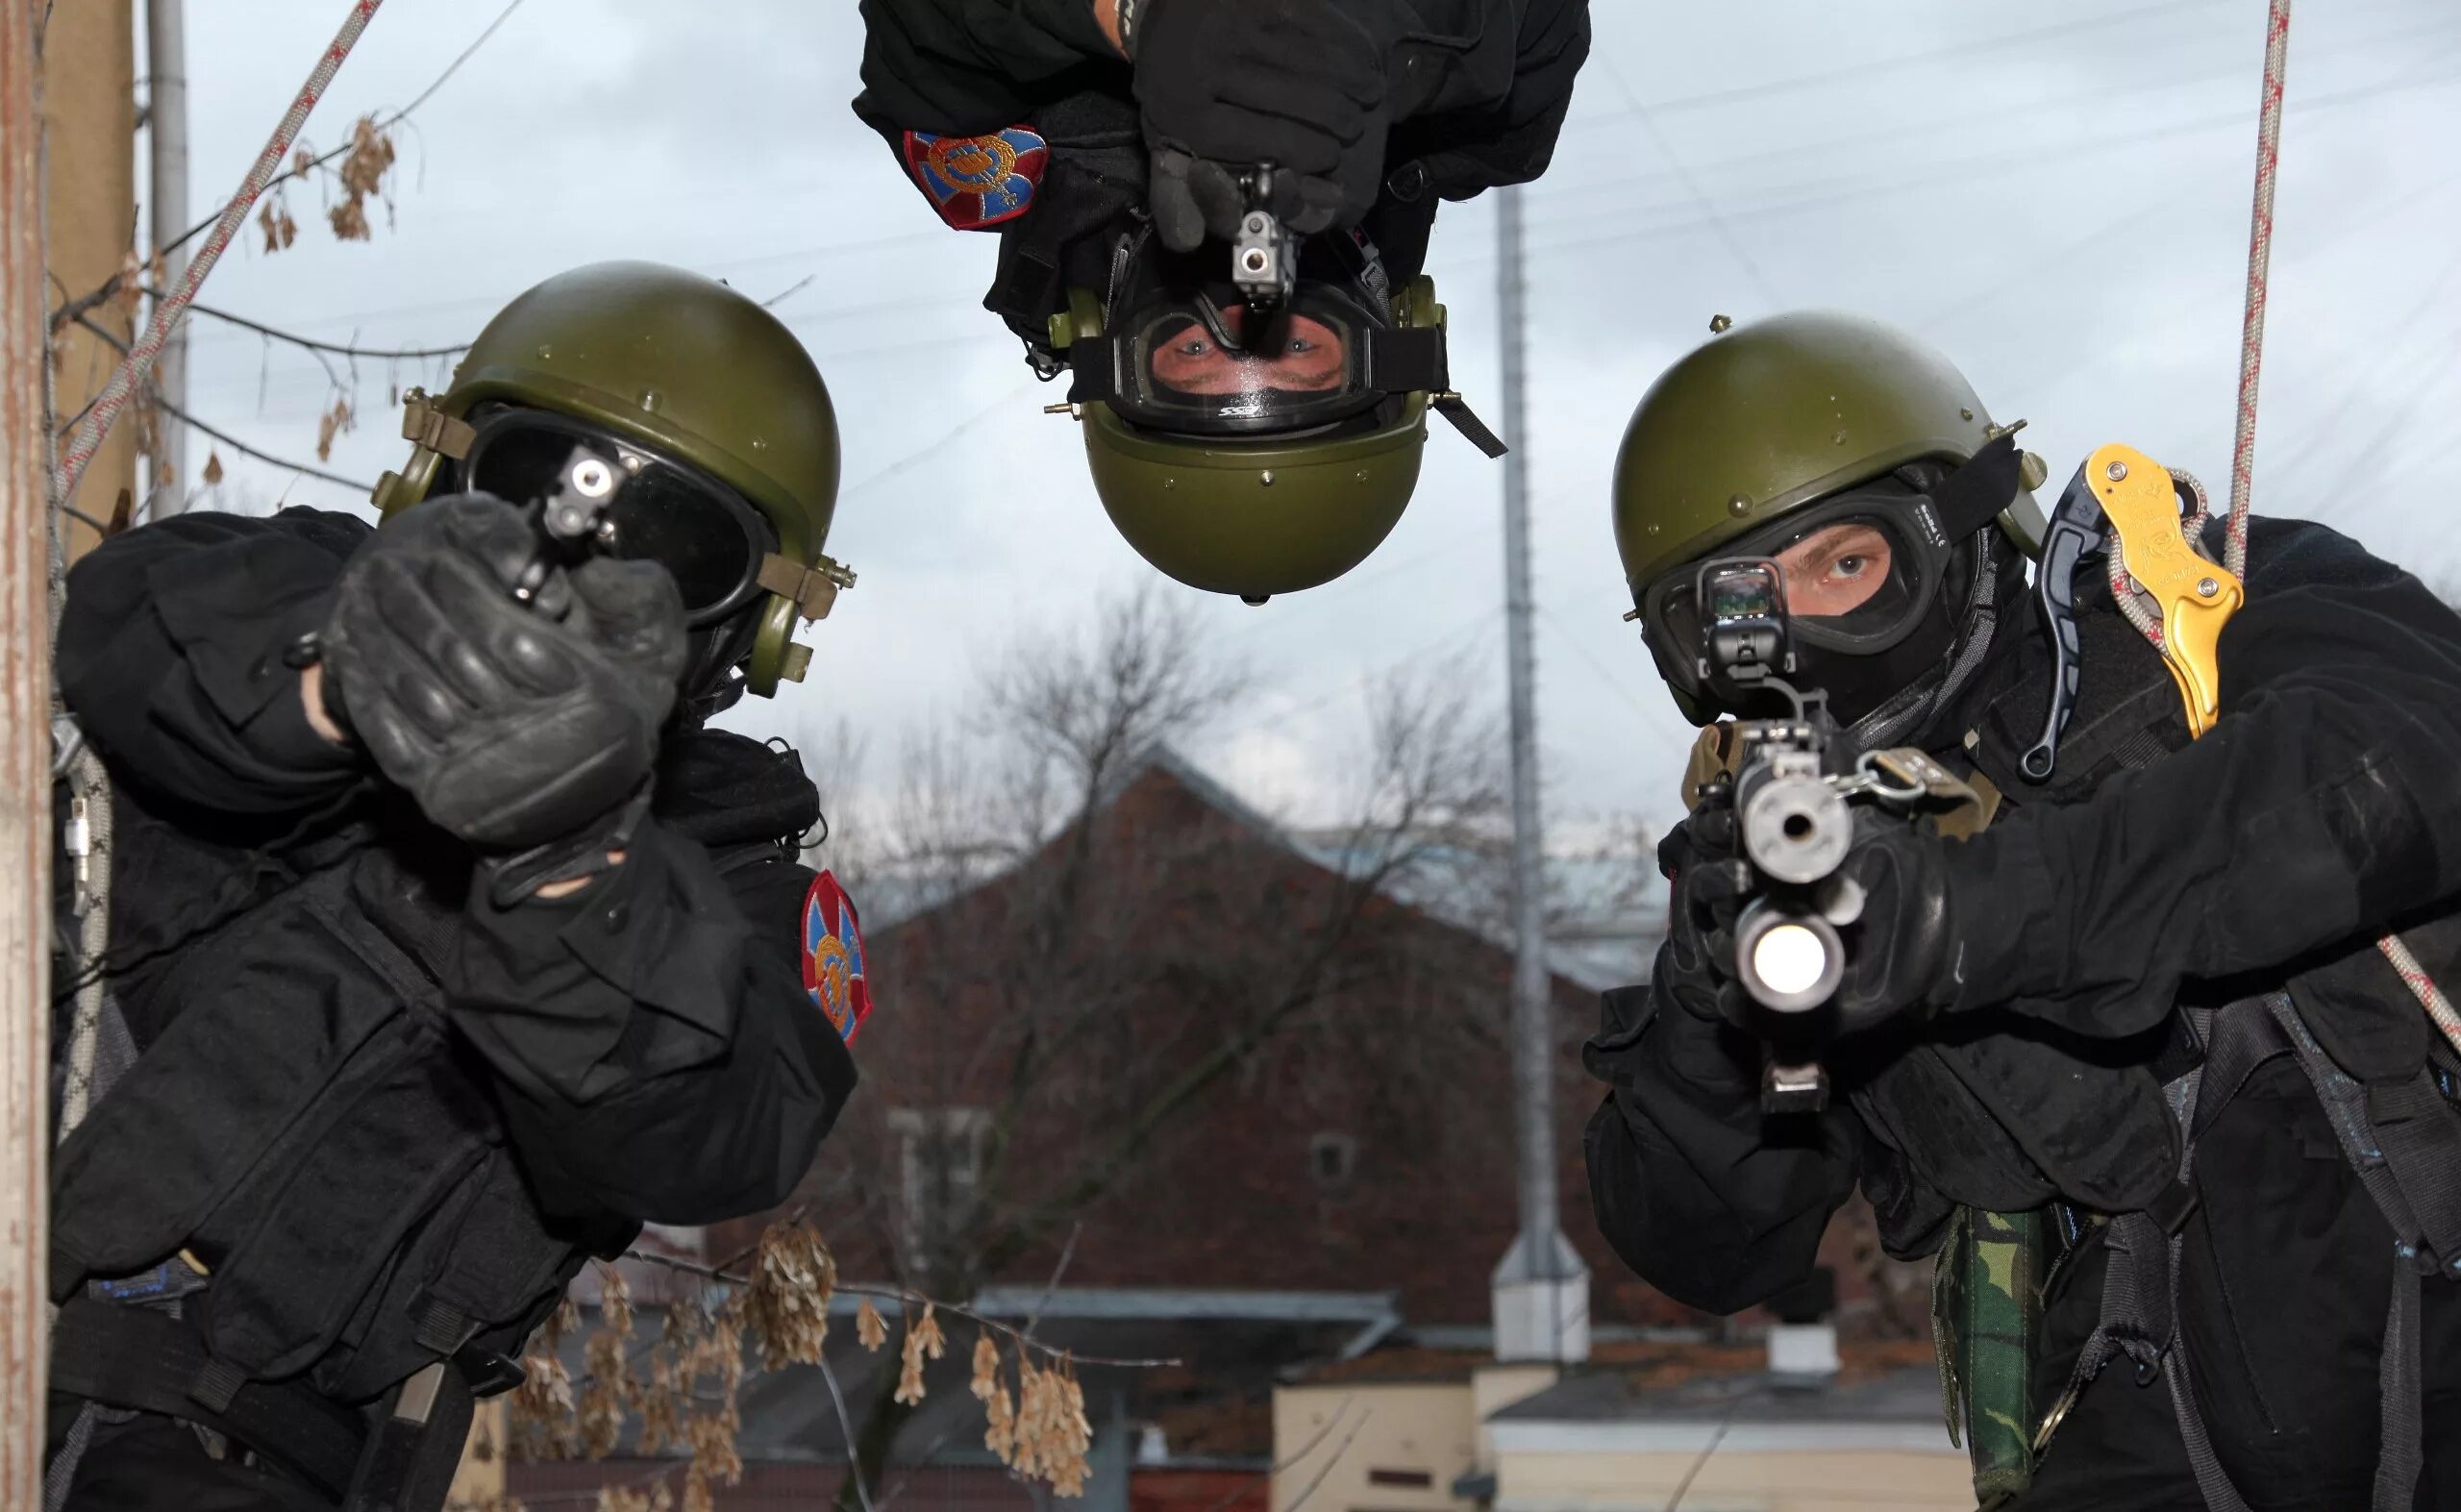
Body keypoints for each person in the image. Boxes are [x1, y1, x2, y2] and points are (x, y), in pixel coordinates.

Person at [1581, 310, 2461, 1511]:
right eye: (1738, 609)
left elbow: (2396, 769)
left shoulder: (2194, 607)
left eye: (1845, 565)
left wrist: (1950, 918)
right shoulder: (1770, 859)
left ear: (1959, 523)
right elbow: (1705, 1247)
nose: (1799, 636)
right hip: (2130, 1410)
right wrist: (1709, 1011)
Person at [44, 260, 871, 1512]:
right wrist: (345, 677)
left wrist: (570, 860)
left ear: (749, 623)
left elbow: (716, 1128)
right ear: (438, 477)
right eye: (534, 482)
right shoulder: (291, 586)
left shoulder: (736, 886)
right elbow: (130, 638)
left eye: (674, 549)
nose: (583, 558)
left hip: (235, 1456)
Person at [853, 0, 1590, 601]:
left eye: (1197, 351)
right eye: (1297, 348)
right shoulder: (1490, 121)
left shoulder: (980, 138)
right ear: (1388, 323)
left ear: (1111, 340)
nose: (1244, 313)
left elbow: (918, 32)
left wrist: (1135, 16)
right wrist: (1372, 31)